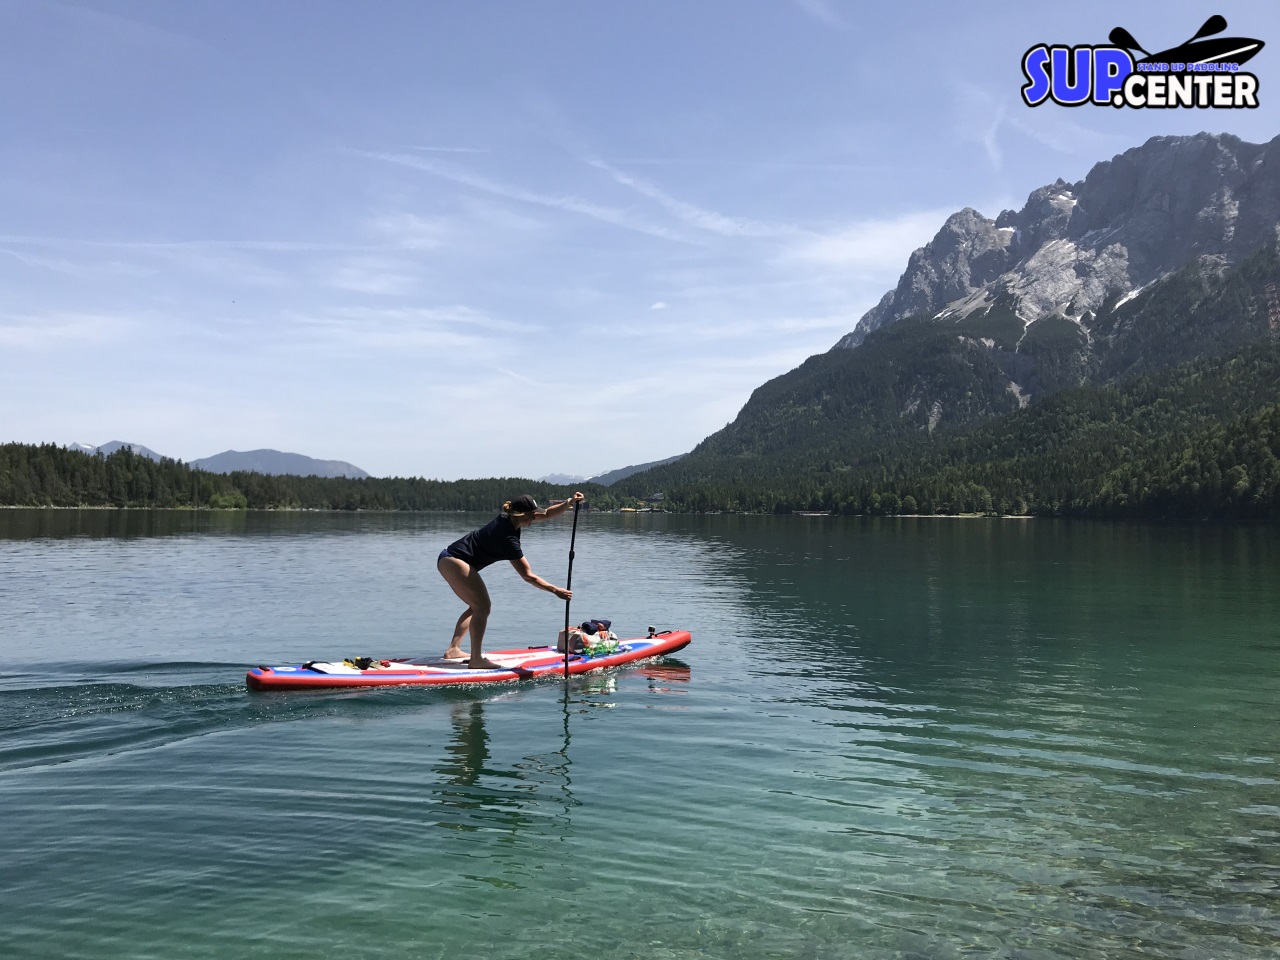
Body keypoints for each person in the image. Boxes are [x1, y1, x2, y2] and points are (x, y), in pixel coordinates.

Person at [437, 492, 585, 669]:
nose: (534, 519)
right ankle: (476, 659)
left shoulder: (509, 519)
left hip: (448, 559)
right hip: (455, 561)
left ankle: (453, 649)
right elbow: (527, 575)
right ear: (523, 515)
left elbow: (546, 514)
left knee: (475, 607)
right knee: (482, 607)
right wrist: (555, 590)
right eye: (532, 515)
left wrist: (569, 502)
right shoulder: (508, 538)